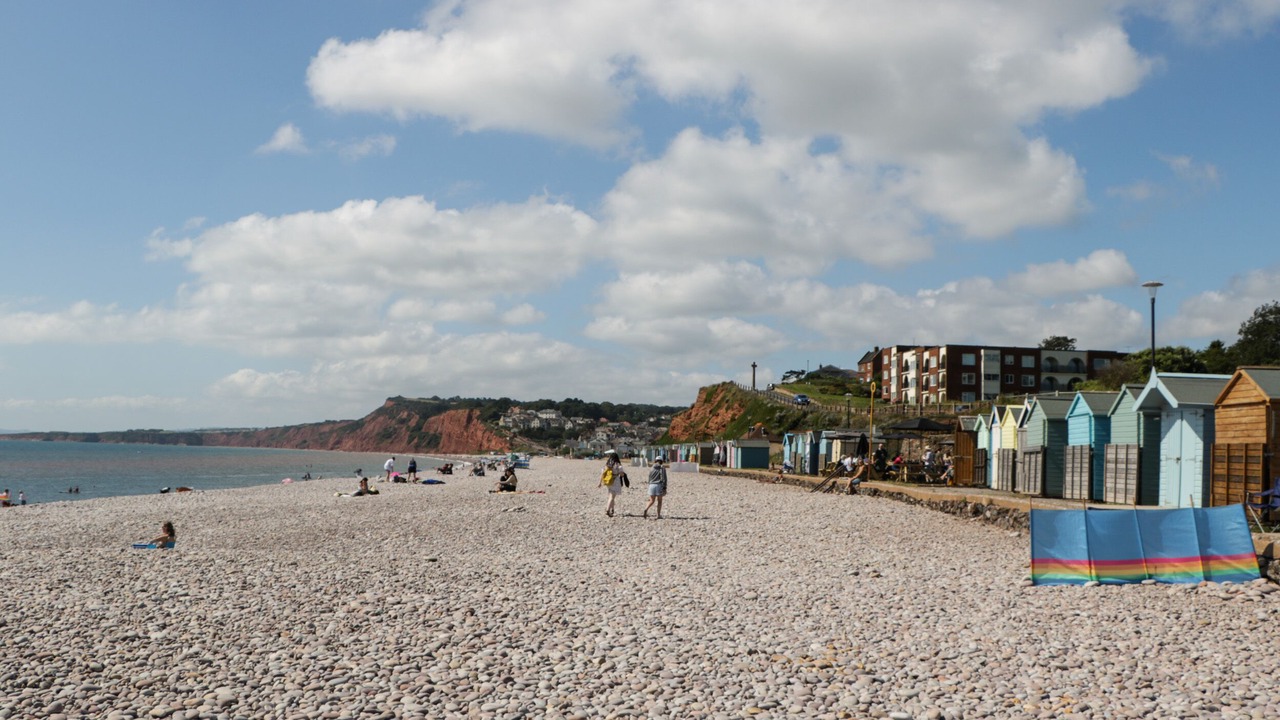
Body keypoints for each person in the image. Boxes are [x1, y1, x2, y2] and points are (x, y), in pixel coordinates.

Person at [600, 450, 624, 517]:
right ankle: (608, 510)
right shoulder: (618, 465)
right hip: (615, 481)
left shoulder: (607, 464)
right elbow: (621, 474)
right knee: (611, 497)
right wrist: (621, 474)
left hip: (608, 481)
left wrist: (600, 482)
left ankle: (612, 509)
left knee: (611, 495)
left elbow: (602, 473)